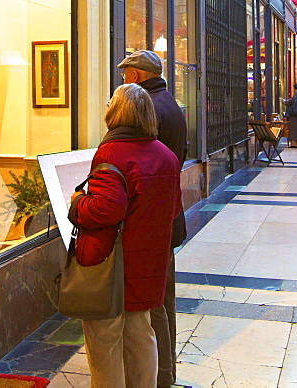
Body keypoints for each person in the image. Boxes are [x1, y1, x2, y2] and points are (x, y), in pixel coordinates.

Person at [69, 83, 182, 388]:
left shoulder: (112, 152)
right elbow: (172, 209)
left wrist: (78, 203)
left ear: (116, 111)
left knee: (104, 339)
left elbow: (104, 210)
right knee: (141, 333)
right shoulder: (166, 156)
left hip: (112, 264)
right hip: (149, 263)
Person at [117, 50, 187, 386]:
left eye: (125, 73)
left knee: (153, 303)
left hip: (150, 221)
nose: (122, 79)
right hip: (166, 217)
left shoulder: (149, 109)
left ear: (136, 75)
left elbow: (144, 168)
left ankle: (159, 374)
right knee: (162, 298)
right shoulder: (169, 102)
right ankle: (166, 369)